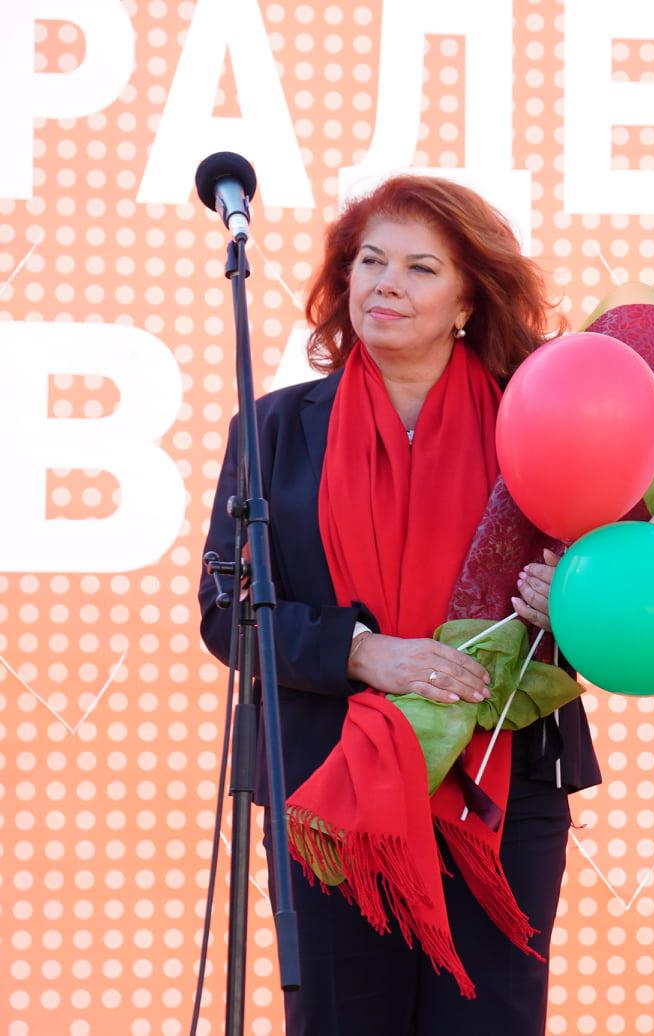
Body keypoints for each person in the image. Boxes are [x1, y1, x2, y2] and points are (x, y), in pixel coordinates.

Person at [198, 175, 600, 1034]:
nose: (386, 284)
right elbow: (226, 608)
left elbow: (614, 602)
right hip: (330, 784)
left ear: (468, 301)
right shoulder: (273, 430)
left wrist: (568, 601)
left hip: (499, 783)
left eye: (421, 268)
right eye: (370, 261)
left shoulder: (539, 424)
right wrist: (362, 652)